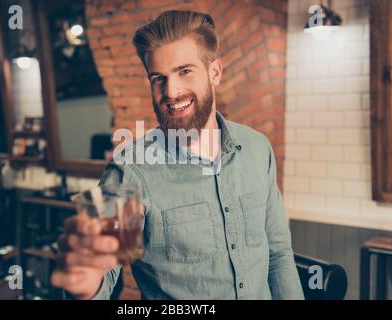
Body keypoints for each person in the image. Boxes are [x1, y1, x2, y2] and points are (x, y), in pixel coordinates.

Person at [51, 10, 304, 300]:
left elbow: (278, 254)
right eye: (158, 78)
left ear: (215, 72)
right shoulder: (132, 170)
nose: (171, 91)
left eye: (184, 71)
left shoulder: (258, 149)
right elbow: (103, 272)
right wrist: (87, 286)